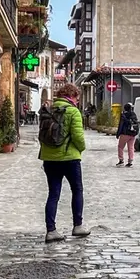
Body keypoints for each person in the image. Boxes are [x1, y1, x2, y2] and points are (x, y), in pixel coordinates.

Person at [39, 83, 90, 243]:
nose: (78, 100)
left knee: (53, 194)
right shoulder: (73, 111)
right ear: (73, 96)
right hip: (70, 159)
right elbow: (78, 137)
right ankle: (77, 226)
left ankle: (51, 230)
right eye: (78, 97)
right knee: (77, 190)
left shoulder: (48, 111)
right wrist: (81, 148)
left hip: (49, 159)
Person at [115, 103, 139, 167]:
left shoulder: (123, 115)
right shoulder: (133, 114)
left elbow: (121, 125)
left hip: (125, 134)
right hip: (133, 134)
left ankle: (121, 160)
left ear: (125, 108)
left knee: (120, 147)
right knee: (131, 147)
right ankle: (130, 161)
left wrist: (118, 134)